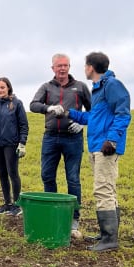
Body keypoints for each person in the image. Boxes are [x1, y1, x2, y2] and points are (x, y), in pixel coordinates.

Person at [61, 52, 131, 252]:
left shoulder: (112, 85)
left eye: (85, 65)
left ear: (91, 67)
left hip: (106, 147)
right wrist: (69, 113)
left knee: (102, 189)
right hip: (96, 146)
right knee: (108, 188)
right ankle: (107, 233)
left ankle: (110, 238)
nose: (84, 69)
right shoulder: (99, 89)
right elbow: (94, 117)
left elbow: (123, 113)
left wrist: (112, 140)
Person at [30, 54, 91, 236]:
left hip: (73, 138)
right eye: (58, 66)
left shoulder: (80, 87)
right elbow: (33, 104)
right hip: (51, 137)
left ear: (70, 67)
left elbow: (94, 111)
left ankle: (74, 220)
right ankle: (53, 211)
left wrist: (82, 123)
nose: (62, 69)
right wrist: (48, 108)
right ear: (53, 68)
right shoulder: (46, 87)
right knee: (47, 175)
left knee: (73, 178)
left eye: (65, 65)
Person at [0, 77, 29, 216]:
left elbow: (23, 125)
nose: (0, 90)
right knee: (2, 174)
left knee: (12, 173)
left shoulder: (17, 103)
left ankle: (17, 204)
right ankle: (7, 203)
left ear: (8, 87)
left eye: (2, 87)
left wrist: (22, 143)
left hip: (11, 144)